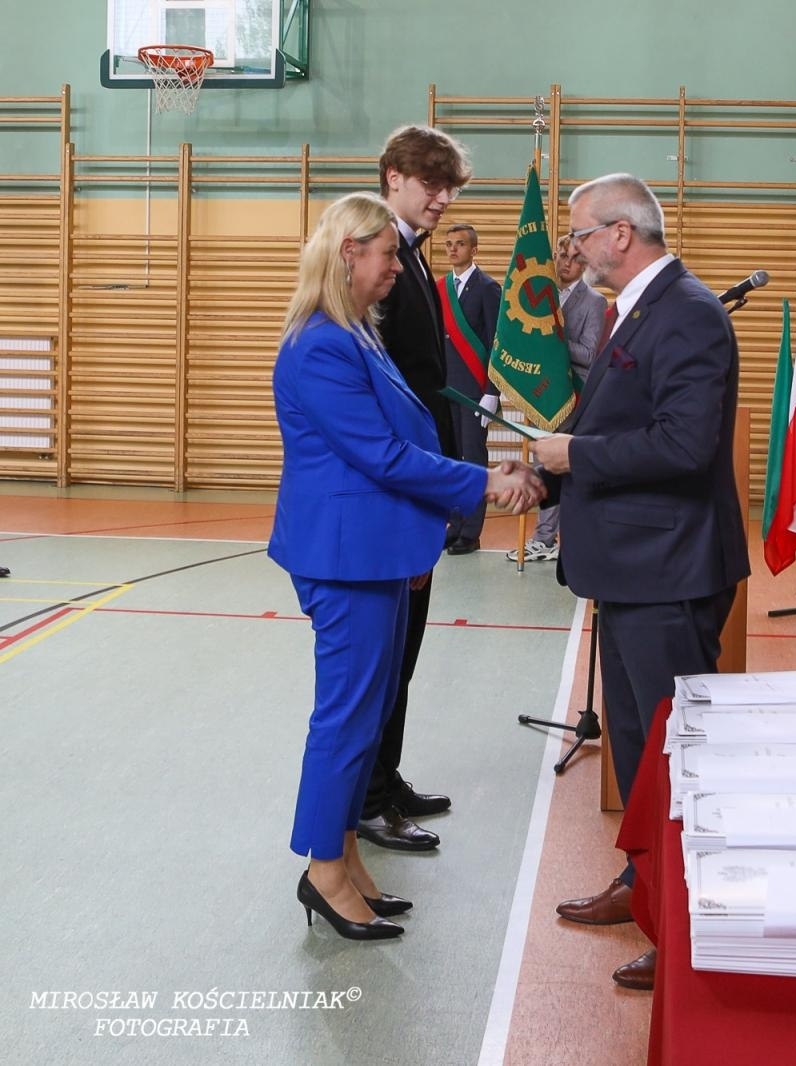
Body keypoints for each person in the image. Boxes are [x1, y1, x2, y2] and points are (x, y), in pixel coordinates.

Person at [268, 191, 540, 940]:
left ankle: (344, 858)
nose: (397, 267)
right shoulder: (321, 344)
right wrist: (486, 482)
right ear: (349, 253)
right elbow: (382, 455)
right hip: (345, 556)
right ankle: (323, 872)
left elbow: (407, 429)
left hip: (377, 550)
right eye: (388, 254)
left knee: (367, 714)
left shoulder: (356, 331)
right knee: (347, 720)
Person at [530, 173, 748, 992]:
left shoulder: (687, 313)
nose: (573, 249)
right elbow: (615, 424)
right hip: (631, 567)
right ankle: (646, 885)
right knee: (638, 745)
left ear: (622, 234)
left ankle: (685, 919)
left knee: (674, 754)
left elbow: (685, 446)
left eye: (580, 234)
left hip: (669, 570)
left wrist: (573, 457)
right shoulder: (640, 309)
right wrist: (548, 471)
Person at [357, 125, 473, 855]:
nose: (443, 199)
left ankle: (385, 777)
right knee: (385, 659)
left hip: (422, 485)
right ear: (393, 176)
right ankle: (368, 799)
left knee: (407, 649)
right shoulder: (377, 261)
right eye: (431, 184)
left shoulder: (414, 259)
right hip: (399, 488)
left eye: (451, 187)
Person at [510, 234, 607, 563]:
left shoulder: (594, 302)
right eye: (561, 256)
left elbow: (591, 354)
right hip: (541, 392)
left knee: (560, 466)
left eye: (575, 259)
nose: (567, 263)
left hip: (574, 396)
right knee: (542, 463)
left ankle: (550, 537)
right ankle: (544, 537)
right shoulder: (538, 296)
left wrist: (554, 336)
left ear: (586, 264)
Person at [440, 222, 503, 556]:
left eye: (459, 244)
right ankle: (453, 524)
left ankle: (471, 531)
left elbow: (497, 342)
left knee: (474, 460)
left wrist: (493, 392)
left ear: (474, 249)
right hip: (445, 390)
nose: (452, 249)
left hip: (475, 391)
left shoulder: (488, 288)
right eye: (448, 244)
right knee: (448, 459)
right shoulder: (439, 288)